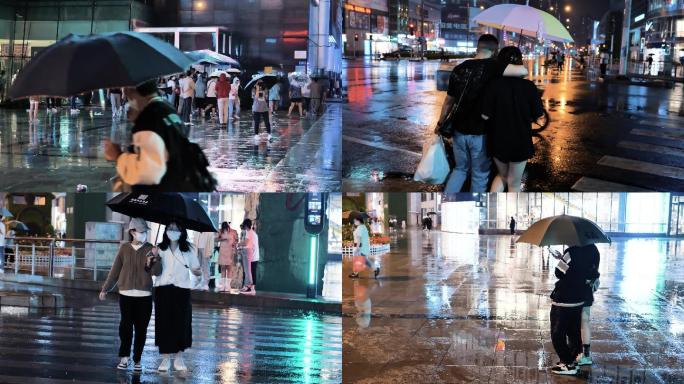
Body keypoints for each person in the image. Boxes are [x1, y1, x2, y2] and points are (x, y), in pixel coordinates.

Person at [435, 34, 528, 193]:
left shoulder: (459, 68)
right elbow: (523, 71)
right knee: (480, 173)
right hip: (480, 132)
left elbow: (449, 101)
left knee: (460, 169)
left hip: (458, 130)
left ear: (477, 48)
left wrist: (440, 122)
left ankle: (447, 200)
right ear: (494, 50)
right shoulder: (494, 66)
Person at [103, 80, 198, 191]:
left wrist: (118, 156)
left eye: (128, 94)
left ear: (134, 93)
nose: (128, 100)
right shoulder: (167, 107)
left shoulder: (148, 117)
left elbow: (149, 174)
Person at [481, 46, 544, 192]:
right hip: (520, 141)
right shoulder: (529, 86)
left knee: (502, 177)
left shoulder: (493, 85)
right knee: (514, 184)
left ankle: (493, 209)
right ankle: (509, 213)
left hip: (497, 140)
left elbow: (485, 115)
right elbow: (538, 114)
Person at [99, 218, 154, 372]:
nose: (143, 234)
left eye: (145, 232)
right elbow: (115, 271)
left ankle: (137, 359)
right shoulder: (124, 248)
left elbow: (157, 272)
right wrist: (105, 288)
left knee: (141, 329)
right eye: (140, 232)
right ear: (132, 232)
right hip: (126, 294)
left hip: (145, 295)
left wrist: (154, 259)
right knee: (125, 327)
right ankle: (124, 357)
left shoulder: (151, 249)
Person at [148, 222, 201, 372]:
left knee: (182, 323)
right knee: (163, 323)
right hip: (163, 289)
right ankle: (165, 358)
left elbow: (195, 267)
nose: (173, 231)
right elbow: (153, 271)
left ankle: (179, 357)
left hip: (182, 290)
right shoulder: (159, 247)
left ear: (182, 231)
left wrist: (197, 274)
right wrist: (154, 256)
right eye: (170, 228)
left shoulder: (189, 248)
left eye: (177, 229)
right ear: (165, 230)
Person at [548, 245, 595, 375]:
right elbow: (592, 272)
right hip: (580, 298)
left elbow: (559, 272)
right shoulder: (593, 250)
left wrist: (562, 258)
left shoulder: (571, 252)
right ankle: (573, 359)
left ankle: (568, 363)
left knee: (557, 333)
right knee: (573, 330)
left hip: (564, 299)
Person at [575, 244, 600, 367]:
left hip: (575, 293)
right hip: (587, 292)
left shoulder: (575, 250)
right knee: (585, 322)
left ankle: (574, 352)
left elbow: (567, 271)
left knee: (573, 323)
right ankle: (586, 355)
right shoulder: (594, 249)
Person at [217, 221, 238, 292]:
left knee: (229, 268)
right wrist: (223, 239)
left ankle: (228, 285)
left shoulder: (233, 231)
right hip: (223, 250)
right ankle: (223, 285)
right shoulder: (220, 231)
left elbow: (236, 240)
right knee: (223, 268)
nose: (226, 228)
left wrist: (234, 245)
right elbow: (216, 239)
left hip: (230, 251)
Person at [238, 219, 257, 295]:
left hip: (247, 251)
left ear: (246, 225)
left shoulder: (249, 232)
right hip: (248, 251)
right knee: (247, 269)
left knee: (247, 269)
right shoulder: (251, 232)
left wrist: (238, 244)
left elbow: (245, 243)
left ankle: (248, 286)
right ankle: (248, 286)